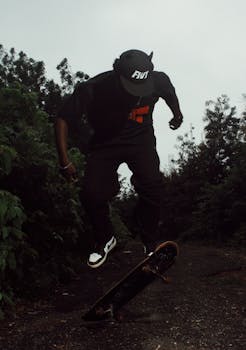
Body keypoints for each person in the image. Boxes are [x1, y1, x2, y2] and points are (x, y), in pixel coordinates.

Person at [55, 49, 183, 268]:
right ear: (118, 74)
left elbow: (170, 95)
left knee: (153, 186)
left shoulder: (158, 80)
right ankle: (105, 238)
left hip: (141, 142)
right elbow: (62, 119)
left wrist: (177, 115)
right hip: (105, 144)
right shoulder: (94, 87)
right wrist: (64, 160)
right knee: (91, 194)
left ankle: (149, 241)